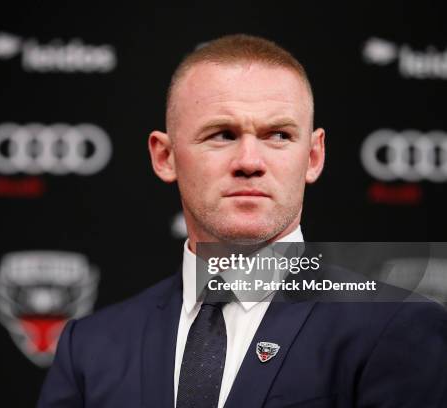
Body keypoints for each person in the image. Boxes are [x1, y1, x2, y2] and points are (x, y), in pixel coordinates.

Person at [37, 34, 447, 408]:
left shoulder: (395, 324)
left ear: (314, 156)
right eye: (222, 134)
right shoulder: (90, 347)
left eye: (279, 135)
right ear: (165, 157)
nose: (250, 162)